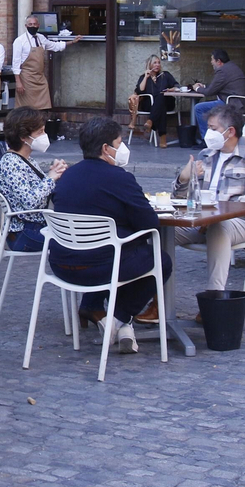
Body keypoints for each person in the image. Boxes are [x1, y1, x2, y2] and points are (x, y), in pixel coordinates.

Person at [49, 118, 169, 340]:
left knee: (117, 250)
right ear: (106, 148)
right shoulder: (119, 178)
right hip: (102, 267)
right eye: (119, 143)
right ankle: (117, 319)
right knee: (159, 260)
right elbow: (150, 223)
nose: (122, 149)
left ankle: (93, 306)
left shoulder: (66, 177)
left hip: (61, 263)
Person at [172, 102, 245, 286]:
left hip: (244, 223)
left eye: (213, 128)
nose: (208, 133)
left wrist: (221, 214)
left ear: (230, 132)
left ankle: (214, 296)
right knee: (159, 231)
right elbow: (179, 199)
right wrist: (184, 178)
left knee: (219, 227)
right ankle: (158, 299)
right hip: (201, 221)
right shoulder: (206, 155)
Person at [0, 106, 68, 253]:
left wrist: (54, 173)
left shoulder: (26, 159)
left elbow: (38, 190)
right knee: (72, 243)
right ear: (23, 137)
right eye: (40, 132)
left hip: (35, 226)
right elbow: (29, 201)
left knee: (75, 237)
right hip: (23, 232)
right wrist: (50, 179)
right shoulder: (11, 163)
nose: (44, 135)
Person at [12, 14, 69, 111]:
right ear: (26, 26)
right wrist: (18, 82)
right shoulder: (19, 41)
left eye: (34, 24)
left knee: (43, 108)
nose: (32, 26)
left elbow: (54, 46)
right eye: (30, 24)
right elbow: (16, 64)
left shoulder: (41, 38)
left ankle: (40, 126)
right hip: (26, 79)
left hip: (40, 78)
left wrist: (71, 42)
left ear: (38, 25)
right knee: (27, 110)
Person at [191, 50, 245, 136]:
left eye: (212, 60)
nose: (211, 62)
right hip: (240, 102)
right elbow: (218, 86)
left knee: (199, 108)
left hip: (232, 103)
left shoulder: (222, 71)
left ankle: (206, 138)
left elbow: (209, 92)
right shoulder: (232, 67)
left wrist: (197, 88)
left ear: (218, 61)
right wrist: (204, 87)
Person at [127, 55, 178, 148]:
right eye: (155, 63)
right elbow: (140, 90)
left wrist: (171, 90)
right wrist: (146, 77)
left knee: (161, 97)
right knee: (160, 107)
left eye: (159, 63)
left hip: (167, 102)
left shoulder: (165, 75)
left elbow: (177, 86)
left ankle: (150, 121)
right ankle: (162, 137)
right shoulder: (143, 77)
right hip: (149, 105)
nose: (157, 65)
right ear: (149, 64)